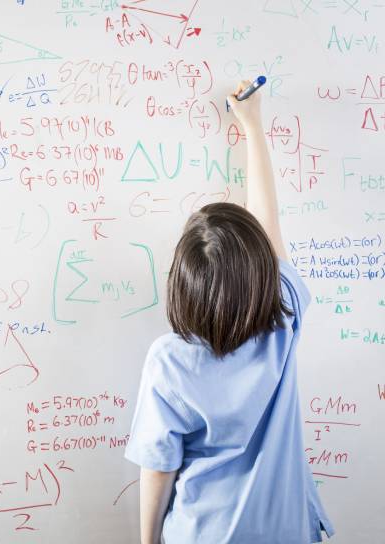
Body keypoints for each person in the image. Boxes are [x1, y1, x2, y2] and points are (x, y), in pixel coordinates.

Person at [123, 81, 334, 543]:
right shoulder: (284, 318)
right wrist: (252, 124)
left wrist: (148, 542)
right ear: (261, 270)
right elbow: (266, 219)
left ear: (183, 282)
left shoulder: (169, 361)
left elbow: (159, 468)